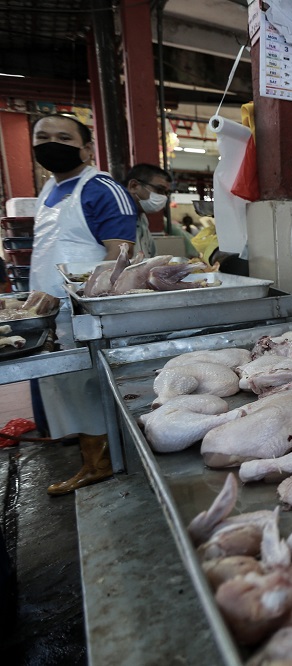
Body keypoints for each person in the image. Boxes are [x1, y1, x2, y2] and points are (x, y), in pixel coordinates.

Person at [29, 114, 137, 495]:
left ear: (87, 147)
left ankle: (106, 463)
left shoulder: (103, 188)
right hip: (46, 314)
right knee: (67, 390)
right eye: (42, 136)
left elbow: (121, 255)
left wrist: (66, 294)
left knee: (91, 389)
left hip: (84, 311)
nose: (51, 142)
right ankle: (93, 462)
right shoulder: (48, 190)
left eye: (63, 137)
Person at [124, 163, 173, 257]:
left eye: (166, 193)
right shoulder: (120, 217)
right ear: (133, 186)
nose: (164, 197)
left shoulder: (142, 218)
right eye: (159, 190)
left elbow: (151, 255)